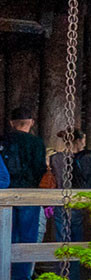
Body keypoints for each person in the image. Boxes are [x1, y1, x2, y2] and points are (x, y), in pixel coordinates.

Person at [1, 105, 46, 248]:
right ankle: (25, 263)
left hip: (5, 192)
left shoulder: (3, 140)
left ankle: (5, 263)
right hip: (29, 192)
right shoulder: (37, 142)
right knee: (27, 237)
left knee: (6, 236)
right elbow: (40, 168)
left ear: (11, 123)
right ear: (31, 122)